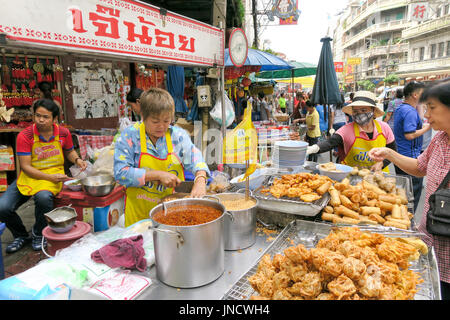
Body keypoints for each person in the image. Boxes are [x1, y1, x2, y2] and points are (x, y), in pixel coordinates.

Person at [368, 79, 450, 300]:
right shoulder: (439, 140)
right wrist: (389, 154)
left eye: (432, 108)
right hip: (427, 245)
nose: (425, 115)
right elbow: (419, 167)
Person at [0, 99, 88, 253]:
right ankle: (20, 235)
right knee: (3, 207)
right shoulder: (25, 136)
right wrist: (49, 178)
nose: (40, 120)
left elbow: (69, 151)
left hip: (53, 175)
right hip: (30, 176)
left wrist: (77, 159)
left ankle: (38, 233)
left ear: (55, 119)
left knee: (43, 197)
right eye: (37, 115)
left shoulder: (63, 133)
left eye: (45, 117)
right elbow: (26, 167)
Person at [114, 88, 210, 227]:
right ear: (143, 116)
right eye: (155, 121)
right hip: (139, 217)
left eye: (166, 121)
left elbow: (195, 158)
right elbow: (120, 173)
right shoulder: (130, 136)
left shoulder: (178, 136)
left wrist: (200, 179)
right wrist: (157, 175)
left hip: (172, 215)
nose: (161, 126)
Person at [306, 90, 396, 171]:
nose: (359, 114)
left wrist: (381, 163)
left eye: (363, 110)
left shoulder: (384, 128)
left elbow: (393, 151)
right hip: (352, 179)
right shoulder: (346, 130)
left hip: (379, 177)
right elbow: (329, 143)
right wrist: (312, 149)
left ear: (372, 110)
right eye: (355, 111)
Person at [393, 81, 431, 212]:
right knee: (412, 195)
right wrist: (427, 128)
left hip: (401, 155)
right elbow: (409, 135)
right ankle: (409, 221)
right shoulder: (409, 111)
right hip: (410, 157)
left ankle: (402, 217)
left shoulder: (401, 108)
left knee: (403, 192)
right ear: (415, 95)